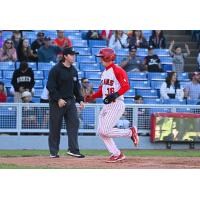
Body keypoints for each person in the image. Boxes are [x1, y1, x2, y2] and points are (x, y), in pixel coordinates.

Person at [84, 47, 139, 163]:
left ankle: (130, 132)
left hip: (116, 103)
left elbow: (126, 86)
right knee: (101, 131)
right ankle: (117, 154)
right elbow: (101, 91)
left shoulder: (117, 70)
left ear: (107, 57)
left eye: (101, 57)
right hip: (107, 105)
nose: (100, 59)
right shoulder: (104, 73)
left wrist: (114, 95)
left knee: (104, 130)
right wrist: (90, 97)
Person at [47, 47, 85, 158]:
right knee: (55, 127)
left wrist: (81, 100)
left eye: (74, 55)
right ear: (65, 56)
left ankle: (73, 150)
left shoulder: (74, 70)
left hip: (70, 102)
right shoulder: (55, 69)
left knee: (74, 124)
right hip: (56, 103)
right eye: (72, 55)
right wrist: (58, 99)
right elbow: (50, 86)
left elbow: (76, 88)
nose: (74, 56)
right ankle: (53, 152)